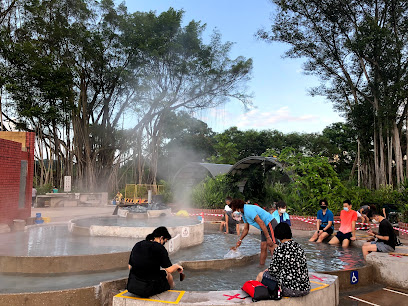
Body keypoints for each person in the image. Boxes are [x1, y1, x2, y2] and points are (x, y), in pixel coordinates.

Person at [256, 223, 310, 297]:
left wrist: (268, 270)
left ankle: (257, 299)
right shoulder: (299, 246)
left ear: (278, 235)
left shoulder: (280, 249)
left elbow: (273, 272)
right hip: (305, 288)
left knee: (260, 275)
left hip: (290, 290)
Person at [127, 227, 183, 298]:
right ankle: (172, 291)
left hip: (132, 286)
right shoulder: (159, 247)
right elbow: (170, 270)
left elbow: (130, 266)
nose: (164, 244)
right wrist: (177, 266)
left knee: (160, 273)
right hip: (146, 290)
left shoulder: (138, 244)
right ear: (161, 238)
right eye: (165, 241)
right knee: (168, 274)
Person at [230, 199, 277, 265]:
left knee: (272, 246)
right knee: (263, 247)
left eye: (234, 210)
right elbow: (246, 229)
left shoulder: (249, 210)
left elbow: (261, 222)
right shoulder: (244, 214)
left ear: (238, 209)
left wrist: (268, 237)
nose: (233, 212)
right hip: (264, 228)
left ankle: (277, 267)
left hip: (270, 223)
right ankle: (261, 266)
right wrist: (240, 240)